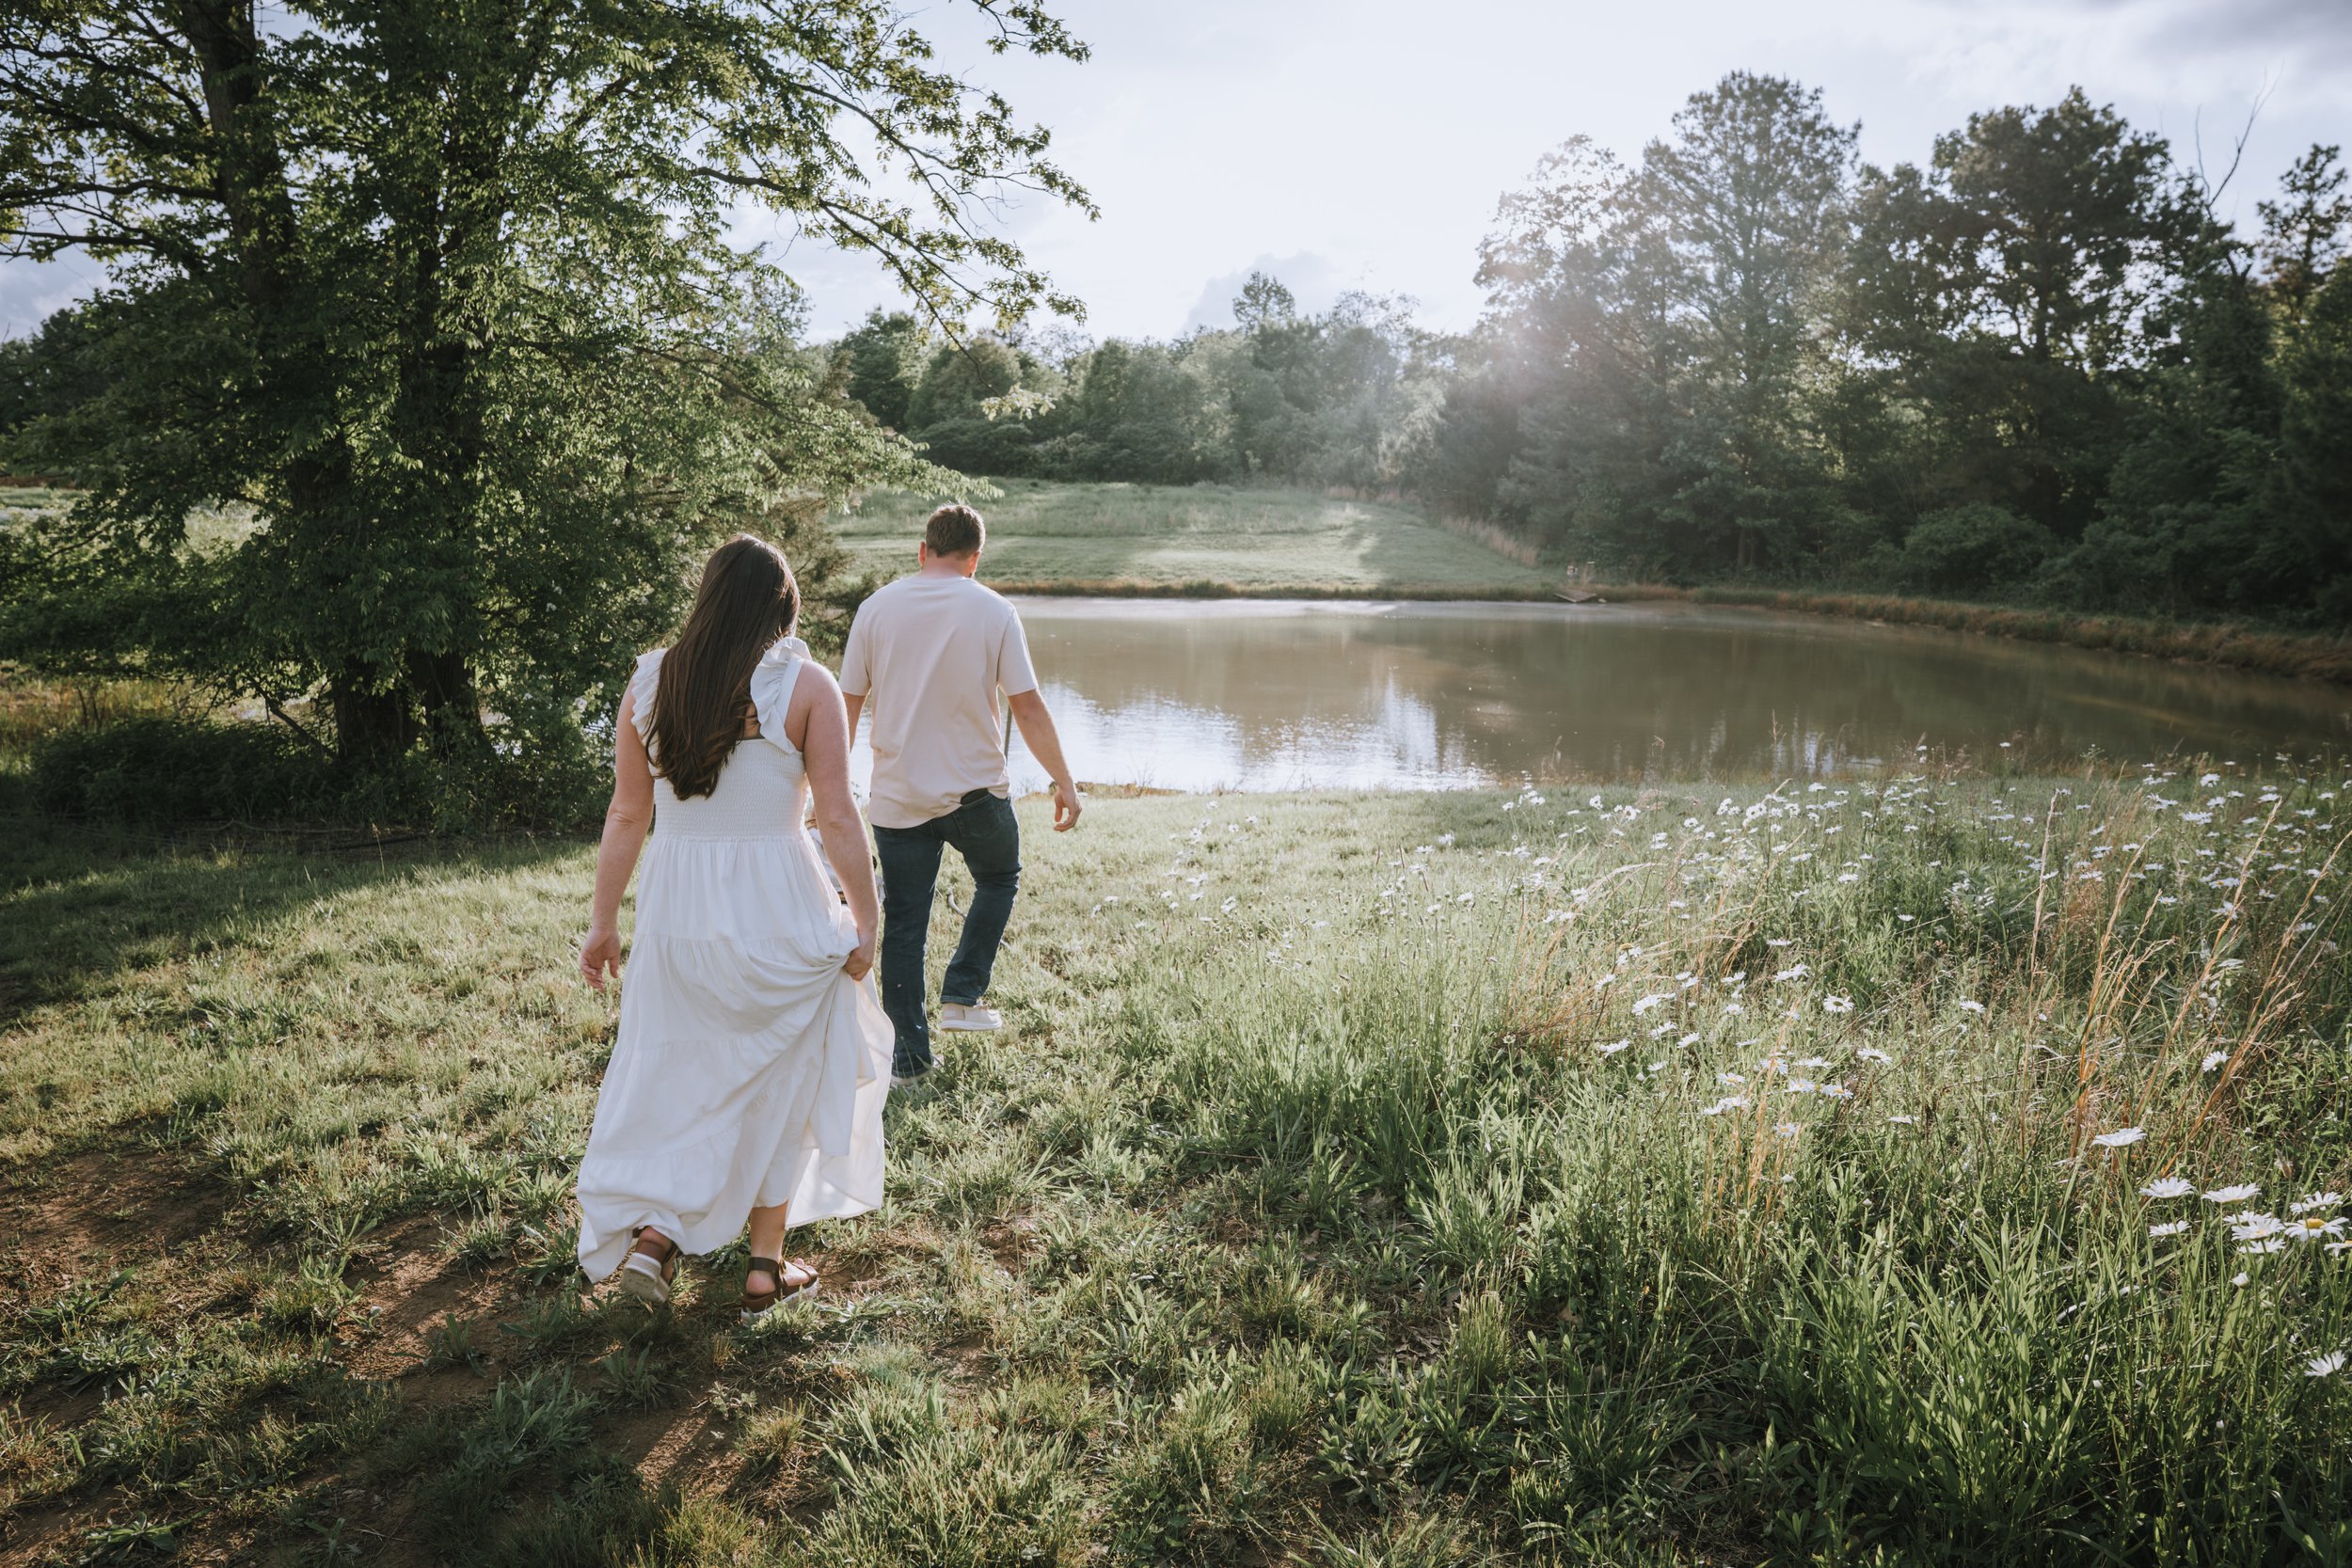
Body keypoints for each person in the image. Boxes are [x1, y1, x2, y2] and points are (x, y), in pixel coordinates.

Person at [574, 535, 890, 1319]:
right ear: (783, 606)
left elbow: (626, 812)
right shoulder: (804, 685)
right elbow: (840, 815)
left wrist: (603, 922)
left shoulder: (649, 684)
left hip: (681, 912)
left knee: (685, 1078)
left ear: (705, 597)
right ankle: (763, 1265)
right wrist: (865, 915)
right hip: (780, 905)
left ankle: (656, 1240)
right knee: (785, 1074)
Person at [839, 502, 1081, 1085]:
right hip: (974, 794)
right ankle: (963, 995)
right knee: (999, 878)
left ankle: (909, 1063)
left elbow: (845, 704)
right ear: (975, 560)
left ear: (923, 551)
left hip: (896, 799)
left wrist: (829, 790)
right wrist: (1064, 780)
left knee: (902, 924)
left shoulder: (875, 608)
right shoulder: (993, 609)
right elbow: (1026, 704)